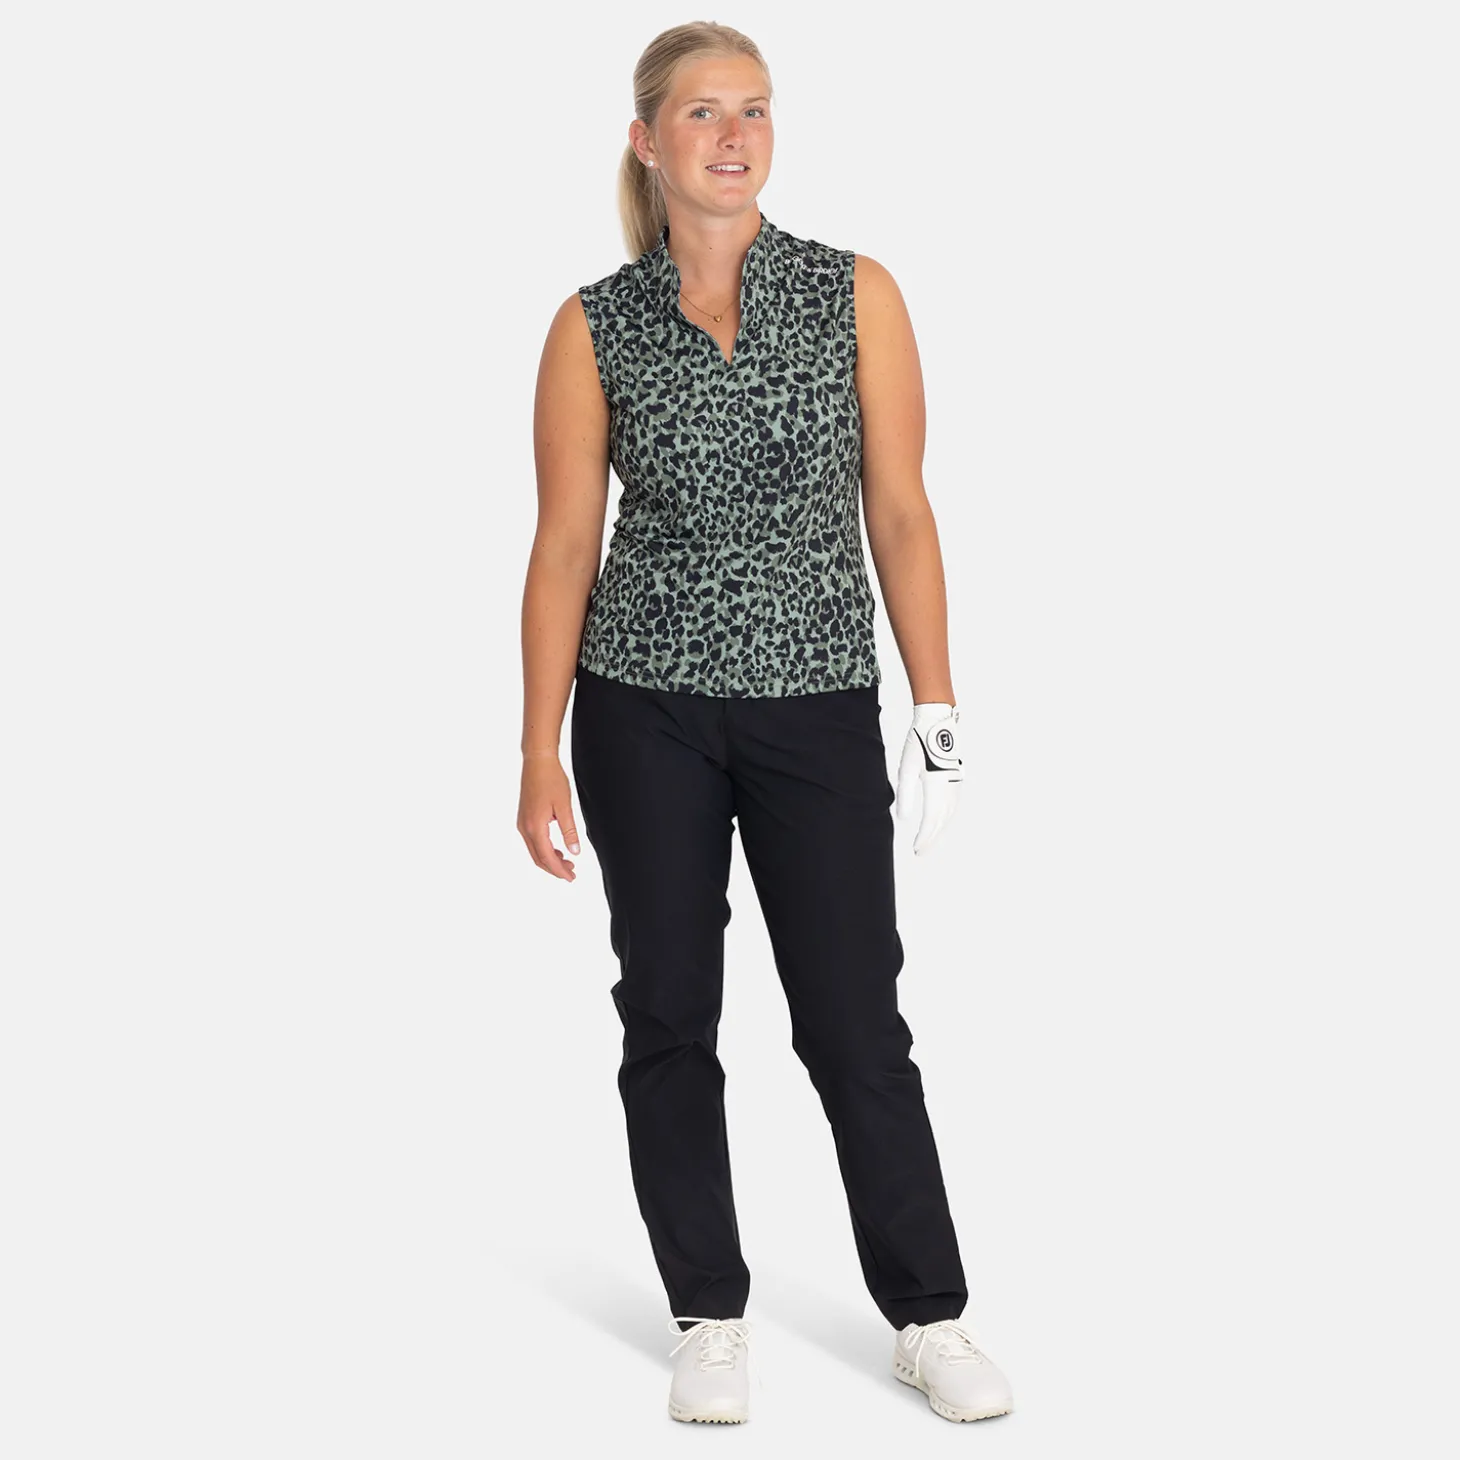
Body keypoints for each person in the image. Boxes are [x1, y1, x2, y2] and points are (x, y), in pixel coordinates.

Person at [518, 21, 1014, 1427]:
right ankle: (709, 1314)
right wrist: (538, 745)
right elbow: (564, 547)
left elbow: (900, 510)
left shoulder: (854, 295)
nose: (734, 136)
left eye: (754, 109)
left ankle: (929, 1314)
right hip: (643, 709)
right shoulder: (593, 326)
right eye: (702, 113)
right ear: (647, 141)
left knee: (855, 1019)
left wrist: (937, 705)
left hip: (814, 706)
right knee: (669, 1011)